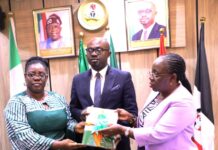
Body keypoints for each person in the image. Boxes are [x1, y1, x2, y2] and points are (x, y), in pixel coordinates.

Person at [99, 53, 197, 150]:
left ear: (172, 78)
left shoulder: (183, 102)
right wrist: (131, 118)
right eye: (151, 72)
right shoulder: (157, 91)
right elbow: (147, 124)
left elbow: (157, 134)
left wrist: (123, 130)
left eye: (156, 74)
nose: (150, 77)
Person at [70, 37, 138, 150]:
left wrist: (119, 131)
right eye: (90, 50)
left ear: (109, 54)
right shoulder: (78, 79)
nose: (94, 54)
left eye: (99, 50)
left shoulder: (123, 77)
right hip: (88, 143)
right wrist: (82, 112)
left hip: (116, 143)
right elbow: (73, 108)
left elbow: (131, 112)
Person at [4, 56, 85, 150]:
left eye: (41, 74)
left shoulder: (57, 97)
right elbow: (24, 136)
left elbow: (68, 121)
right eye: (31, 74)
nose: (36, 78)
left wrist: (76, 127)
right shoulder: (16, 102)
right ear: (25, 76)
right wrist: (57, 145)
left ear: (46, 77)